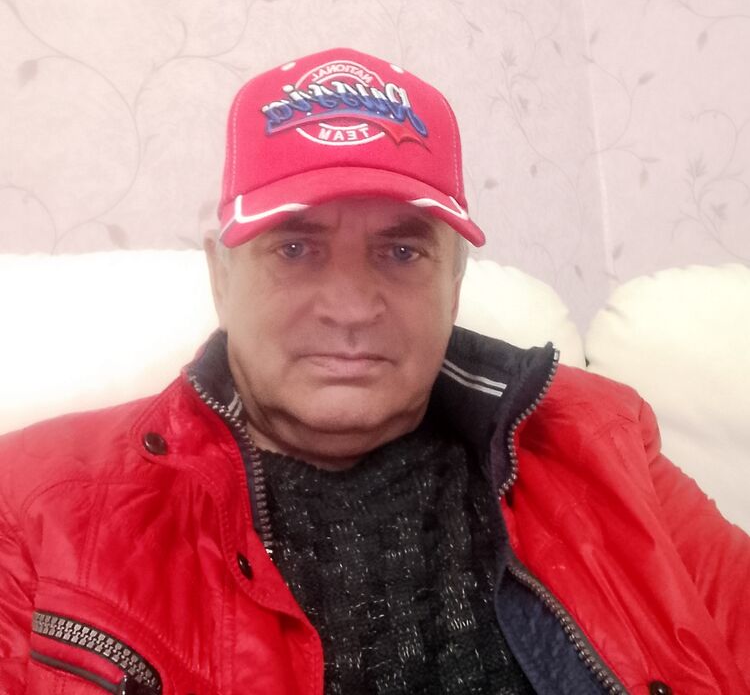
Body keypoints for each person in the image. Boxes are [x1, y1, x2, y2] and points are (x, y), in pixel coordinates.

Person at [0, 47, 748, 695]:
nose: (352, 307)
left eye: (401, 251)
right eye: (295, 248)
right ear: (220, 278)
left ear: (454, 283)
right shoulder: (35, 501)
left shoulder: (603, 439)